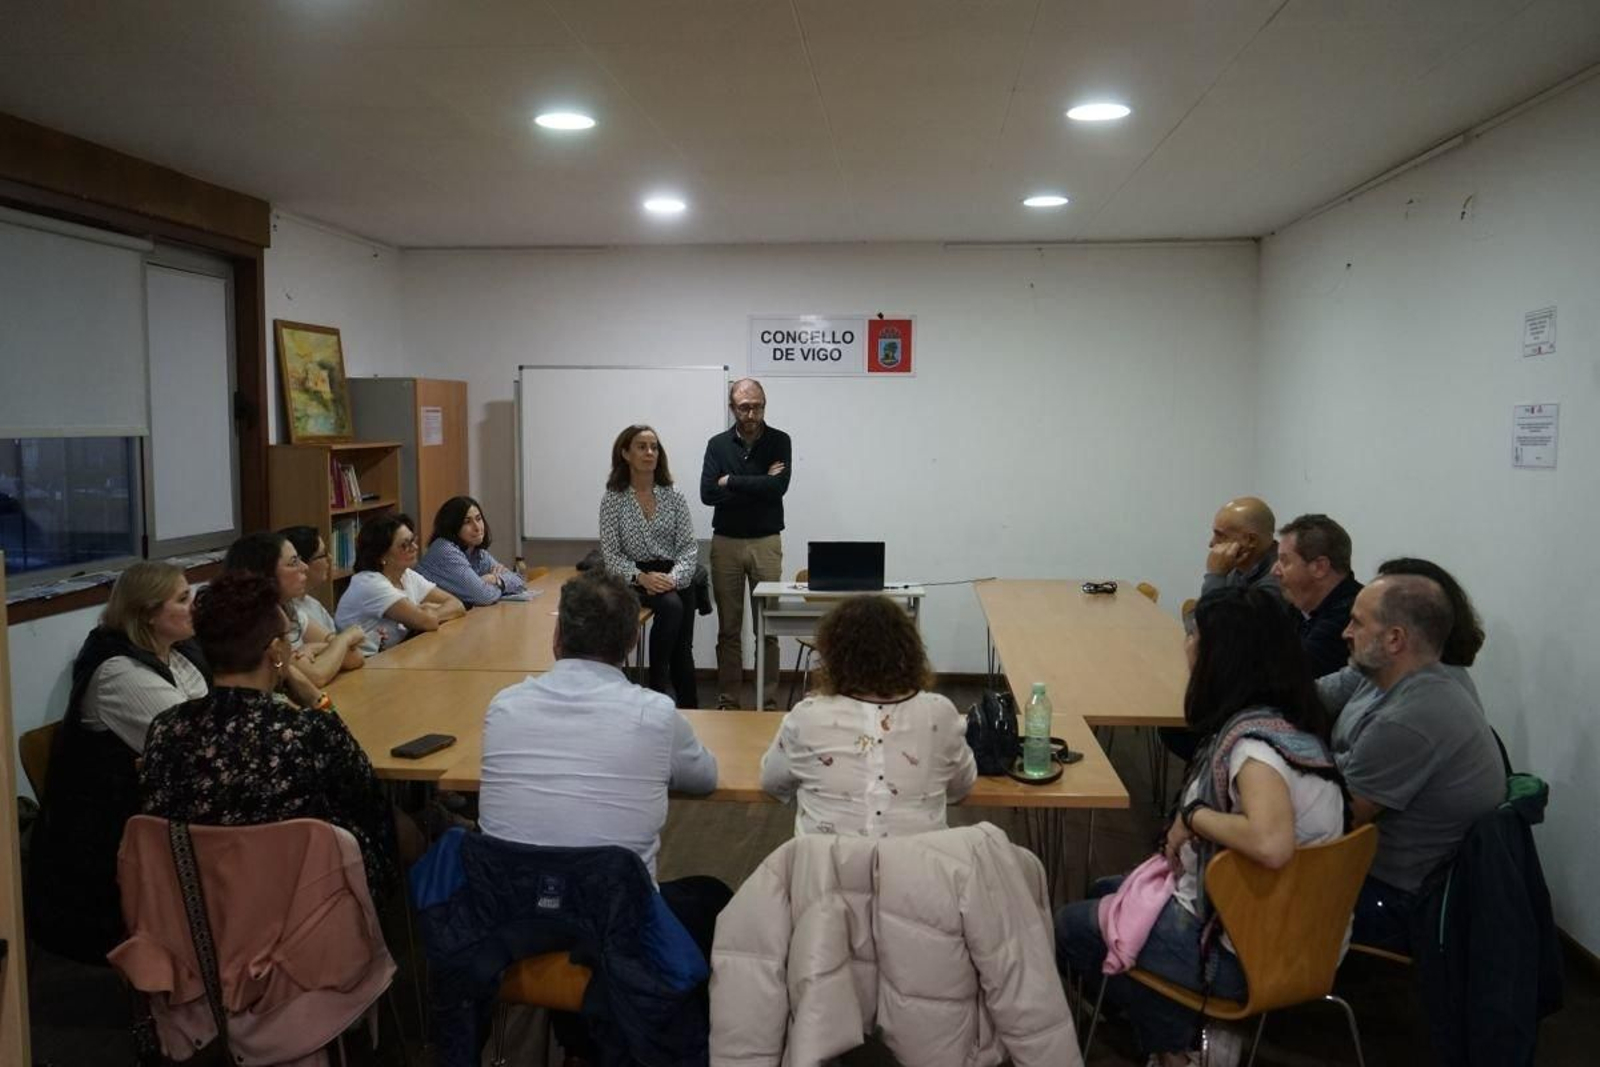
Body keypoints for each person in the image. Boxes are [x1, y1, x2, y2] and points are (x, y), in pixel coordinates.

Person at [1056, 587, 1344, 1067]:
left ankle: (1181, 1046)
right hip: (1300, 930)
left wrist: (1193, 818)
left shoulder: (1255, 750)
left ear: (1222, 658)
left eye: (1194, 639)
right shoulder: (1293, 725)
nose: (1186, 648)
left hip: (1244, 950)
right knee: (1108, 889)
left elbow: (1272, 845)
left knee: (1065, 928)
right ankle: (1182, 1025)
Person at [478, 570, 728, 947]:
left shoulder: (505, 706)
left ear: (557, 635)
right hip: (616, 924)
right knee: (712, 897)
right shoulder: (656, 714)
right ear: (631, 641)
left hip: (513, 921)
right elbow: (705, 777)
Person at [139, 572, 400, 899]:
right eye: (287, 638)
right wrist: (314, 697)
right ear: (276, 650)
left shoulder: (165, 728)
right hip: (304, 897)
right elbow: (370, 798)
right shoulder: (307, 729)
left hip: (198, 901)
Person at [25, 562, 212, 963]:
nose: (194, 606)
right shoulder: (117, 671)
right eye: (182, 599)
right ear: (147, 613)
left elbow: (204, 711)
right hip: (104, 851)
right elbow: (200, 745)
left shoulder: (174, 651)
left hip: (154, 814)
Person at [1324, 571, 1505, 953]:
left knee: (1236, 866)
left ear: (1394, 639)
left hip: (1396, 899)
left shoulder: (1408, 718)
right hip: (1415, 878)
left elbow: (1336, 820)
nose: (1345, 632)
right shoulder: (1428, 685)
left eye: (1357, 622)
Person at [760, 595, 976, 836]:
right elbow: (961, 787)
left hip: (827, 870)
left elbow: (773, 783)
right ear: (910, 652)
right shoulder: (941, 713)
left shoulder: (806, 717)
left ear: (833, 656)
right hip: (918, 870)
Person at [700, 378, 791, 709]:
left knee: (767, 627)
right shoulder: (717, 445)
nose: (751, 413)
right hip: (725, 544)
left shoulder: (780, 441)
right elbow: (708, 494)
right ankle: (729, 698)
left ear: (764, 405)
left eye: (757, 406)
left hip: (766, 542)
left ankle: (766, 701)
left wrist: (732, 482)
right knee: (729, 629)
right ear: (732, 408)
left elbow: (778, 489)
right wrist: (760, 483)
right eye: (744, 407)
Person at [599, 425, 700, 707]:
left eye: (654, 447)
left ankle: (689, 707)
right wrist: (641, 577)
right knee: (671, 607)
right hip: (633, 578)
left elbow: (689, 548)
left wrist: (672, 578)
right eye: (642, 447)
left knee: (682, 648)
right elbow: (611, 555)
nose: (650, 452)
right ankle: (657, 684)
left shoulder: (673, 495)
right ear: (625, 453)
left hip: (673, 575)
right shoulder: (613, 499)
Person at [227, 530, 364, 686]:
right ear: (265, 573)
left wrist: (314, 648)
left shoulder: (290, 610)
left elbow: (355, 657)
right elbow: (316, 676)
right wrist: (345, 639)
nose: (305, 567)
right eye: (293, 563)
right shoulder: (252, 623)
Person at [335, 513, 466, 655]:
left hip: (393, 657)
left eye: (413, 540)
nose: (415, 547)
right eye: (405, 545)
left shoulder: (406, 575)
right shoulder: (369, 583)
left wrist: (430, 612)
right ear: (382, 555)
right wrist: (424, 614)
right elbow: (427, 622)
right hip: (363, 665)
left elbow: (457, 605)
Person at [1270, 513, 1362, 678]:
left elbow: (1287, 677)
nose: (1274, 571)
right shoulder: (1297, 608)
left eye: (1284, 561)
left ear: (1319, 567)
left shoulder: (1352, 614)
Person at [415, 495, 528, 607]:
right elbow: (483, 596)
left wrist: (495, 579)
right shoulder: (445, 550)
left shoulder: (478, 553)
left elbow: (520, 582)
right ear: (452, 526)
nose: (477, 527)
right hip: (425, 620)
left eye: (478, 519)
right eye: (467, 522)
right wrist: (492, 586)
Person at [1200, 496, 1282, 600]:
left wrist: (1215, 575)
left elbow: (1216, 615)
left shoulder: (1279, 580)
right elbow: (1198, 612)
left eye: (1220, 535)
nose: (1211, 544)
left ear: (1251, 540)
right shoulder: (1235, 569)